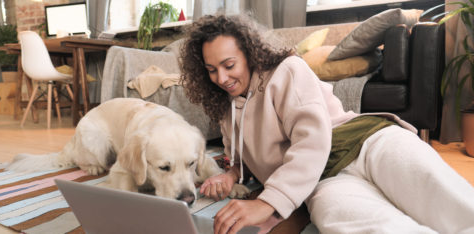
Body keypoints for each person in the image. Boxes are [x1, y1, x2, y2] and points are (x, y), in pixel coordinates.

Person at [179, 14, 474, 234]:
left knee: (447, 200)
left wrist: (266, 204)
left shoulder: (286, 70)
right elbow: (243, 161)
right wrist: (229, 176)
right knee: (344, 220)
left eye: (229, 65)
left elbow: (311, 142)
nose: (221, 78)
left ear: (249, 53)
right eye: (211, 70)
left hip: (367, 142)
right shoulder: (226, 110)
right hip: (322, 181)